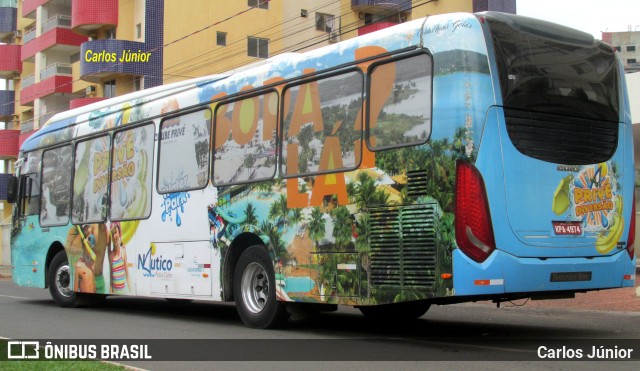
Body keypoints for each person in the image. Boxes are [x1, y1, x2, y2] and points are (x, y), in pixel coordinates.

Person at [109, 222, 131, 294]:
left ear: (119, 234)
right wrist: (110, 293)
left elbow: (127, 275)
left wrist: (131, 292)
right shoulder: (111, 255)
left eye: (116, 232)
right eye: (112, 234)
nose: (114, 235)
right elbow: (111, 279)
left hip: (124, 293)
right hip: (115, 293)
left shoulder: (123, 252)